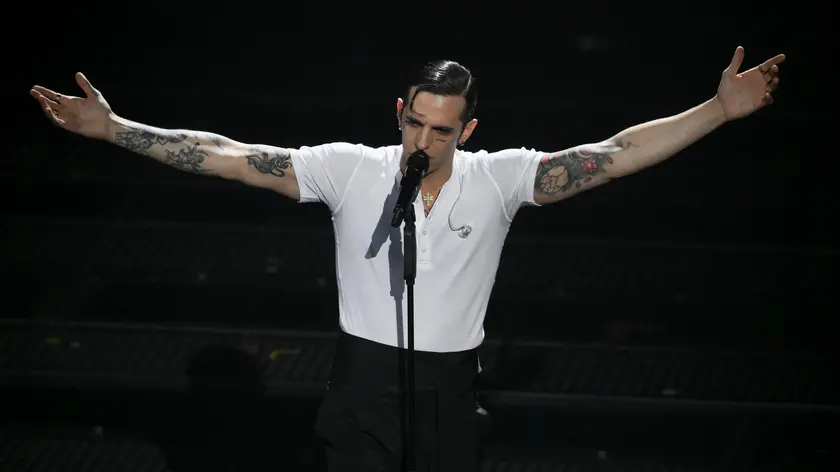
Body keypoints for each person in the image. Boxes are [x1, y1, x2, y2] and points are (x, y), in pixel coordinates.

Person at [30, 46, 784, 472]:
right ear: (400, 113)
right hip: (361, 390)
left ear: (469, 129)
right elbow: (230, 155)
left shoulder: (501, 178)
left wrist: (718, 109)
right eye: (415, 123)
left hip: (449, 394)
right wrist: (116, 129)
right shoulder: (349, 169)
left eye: (443, 130)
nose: (424, 141)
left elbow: (611, 155)